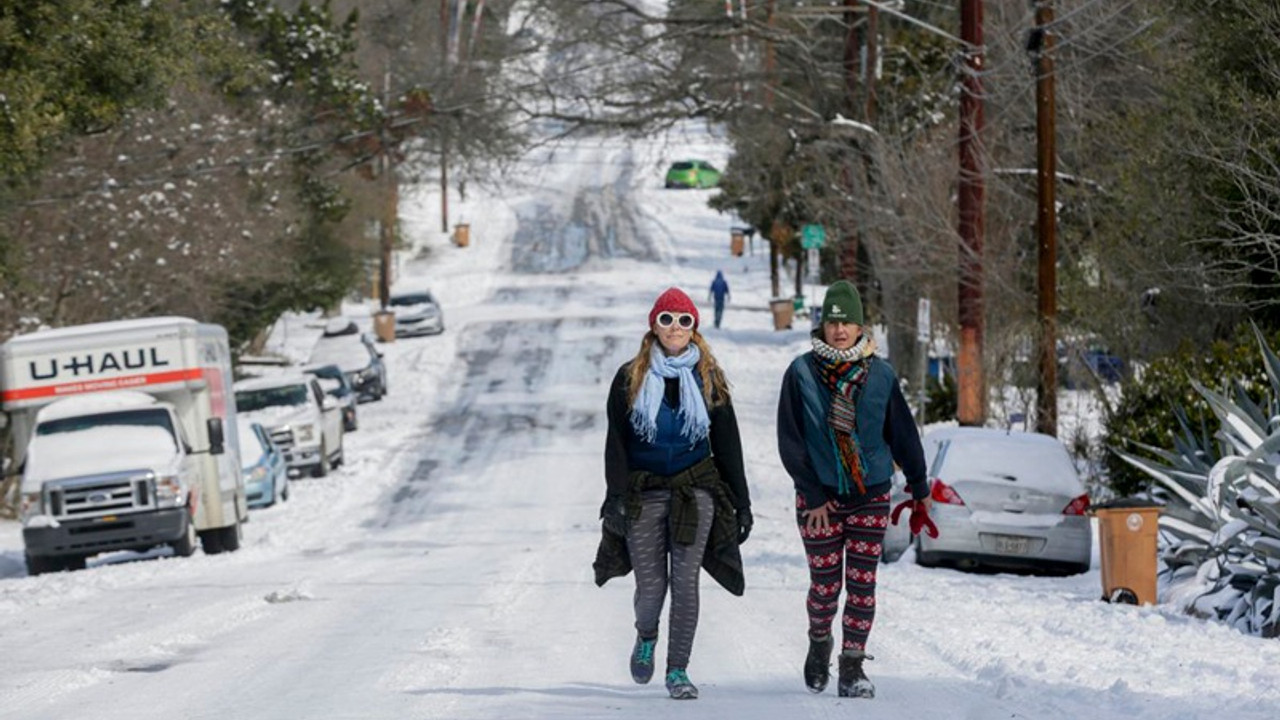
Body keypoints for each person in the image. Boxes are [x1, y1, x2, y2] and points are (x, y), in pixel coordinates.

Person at [775, 279, 935, 699]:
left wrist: (919, 486)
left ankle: (852, 667)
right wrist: (811, 494)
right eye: (832, 322)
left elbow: (902, 433)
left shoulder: (880, 375)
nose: (840, 330)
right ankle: (818, 642)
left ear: (861, 327)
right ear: (822, 326)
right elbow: (790, 440)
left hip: (871, 493)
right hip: (819, 499)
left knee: (862, 583)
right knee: (825, 588)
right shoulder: (801, 374)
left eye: (847, 323)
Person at [593, 287, 753, 701]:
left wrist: (742, 503)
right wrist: (615, 497)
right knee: (651, 587)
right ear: (654, 325)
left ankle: (678, 669)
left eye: (684, 320)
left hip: (694, 488)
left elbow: (728, 441)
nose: (675, 328)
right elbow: (617, 443)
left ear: (694, 327)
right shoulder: (630, 377)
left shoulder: (708, 377)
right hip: (644, 491)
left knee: (685, 583)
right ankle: (646, 636)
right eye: (667, 319)